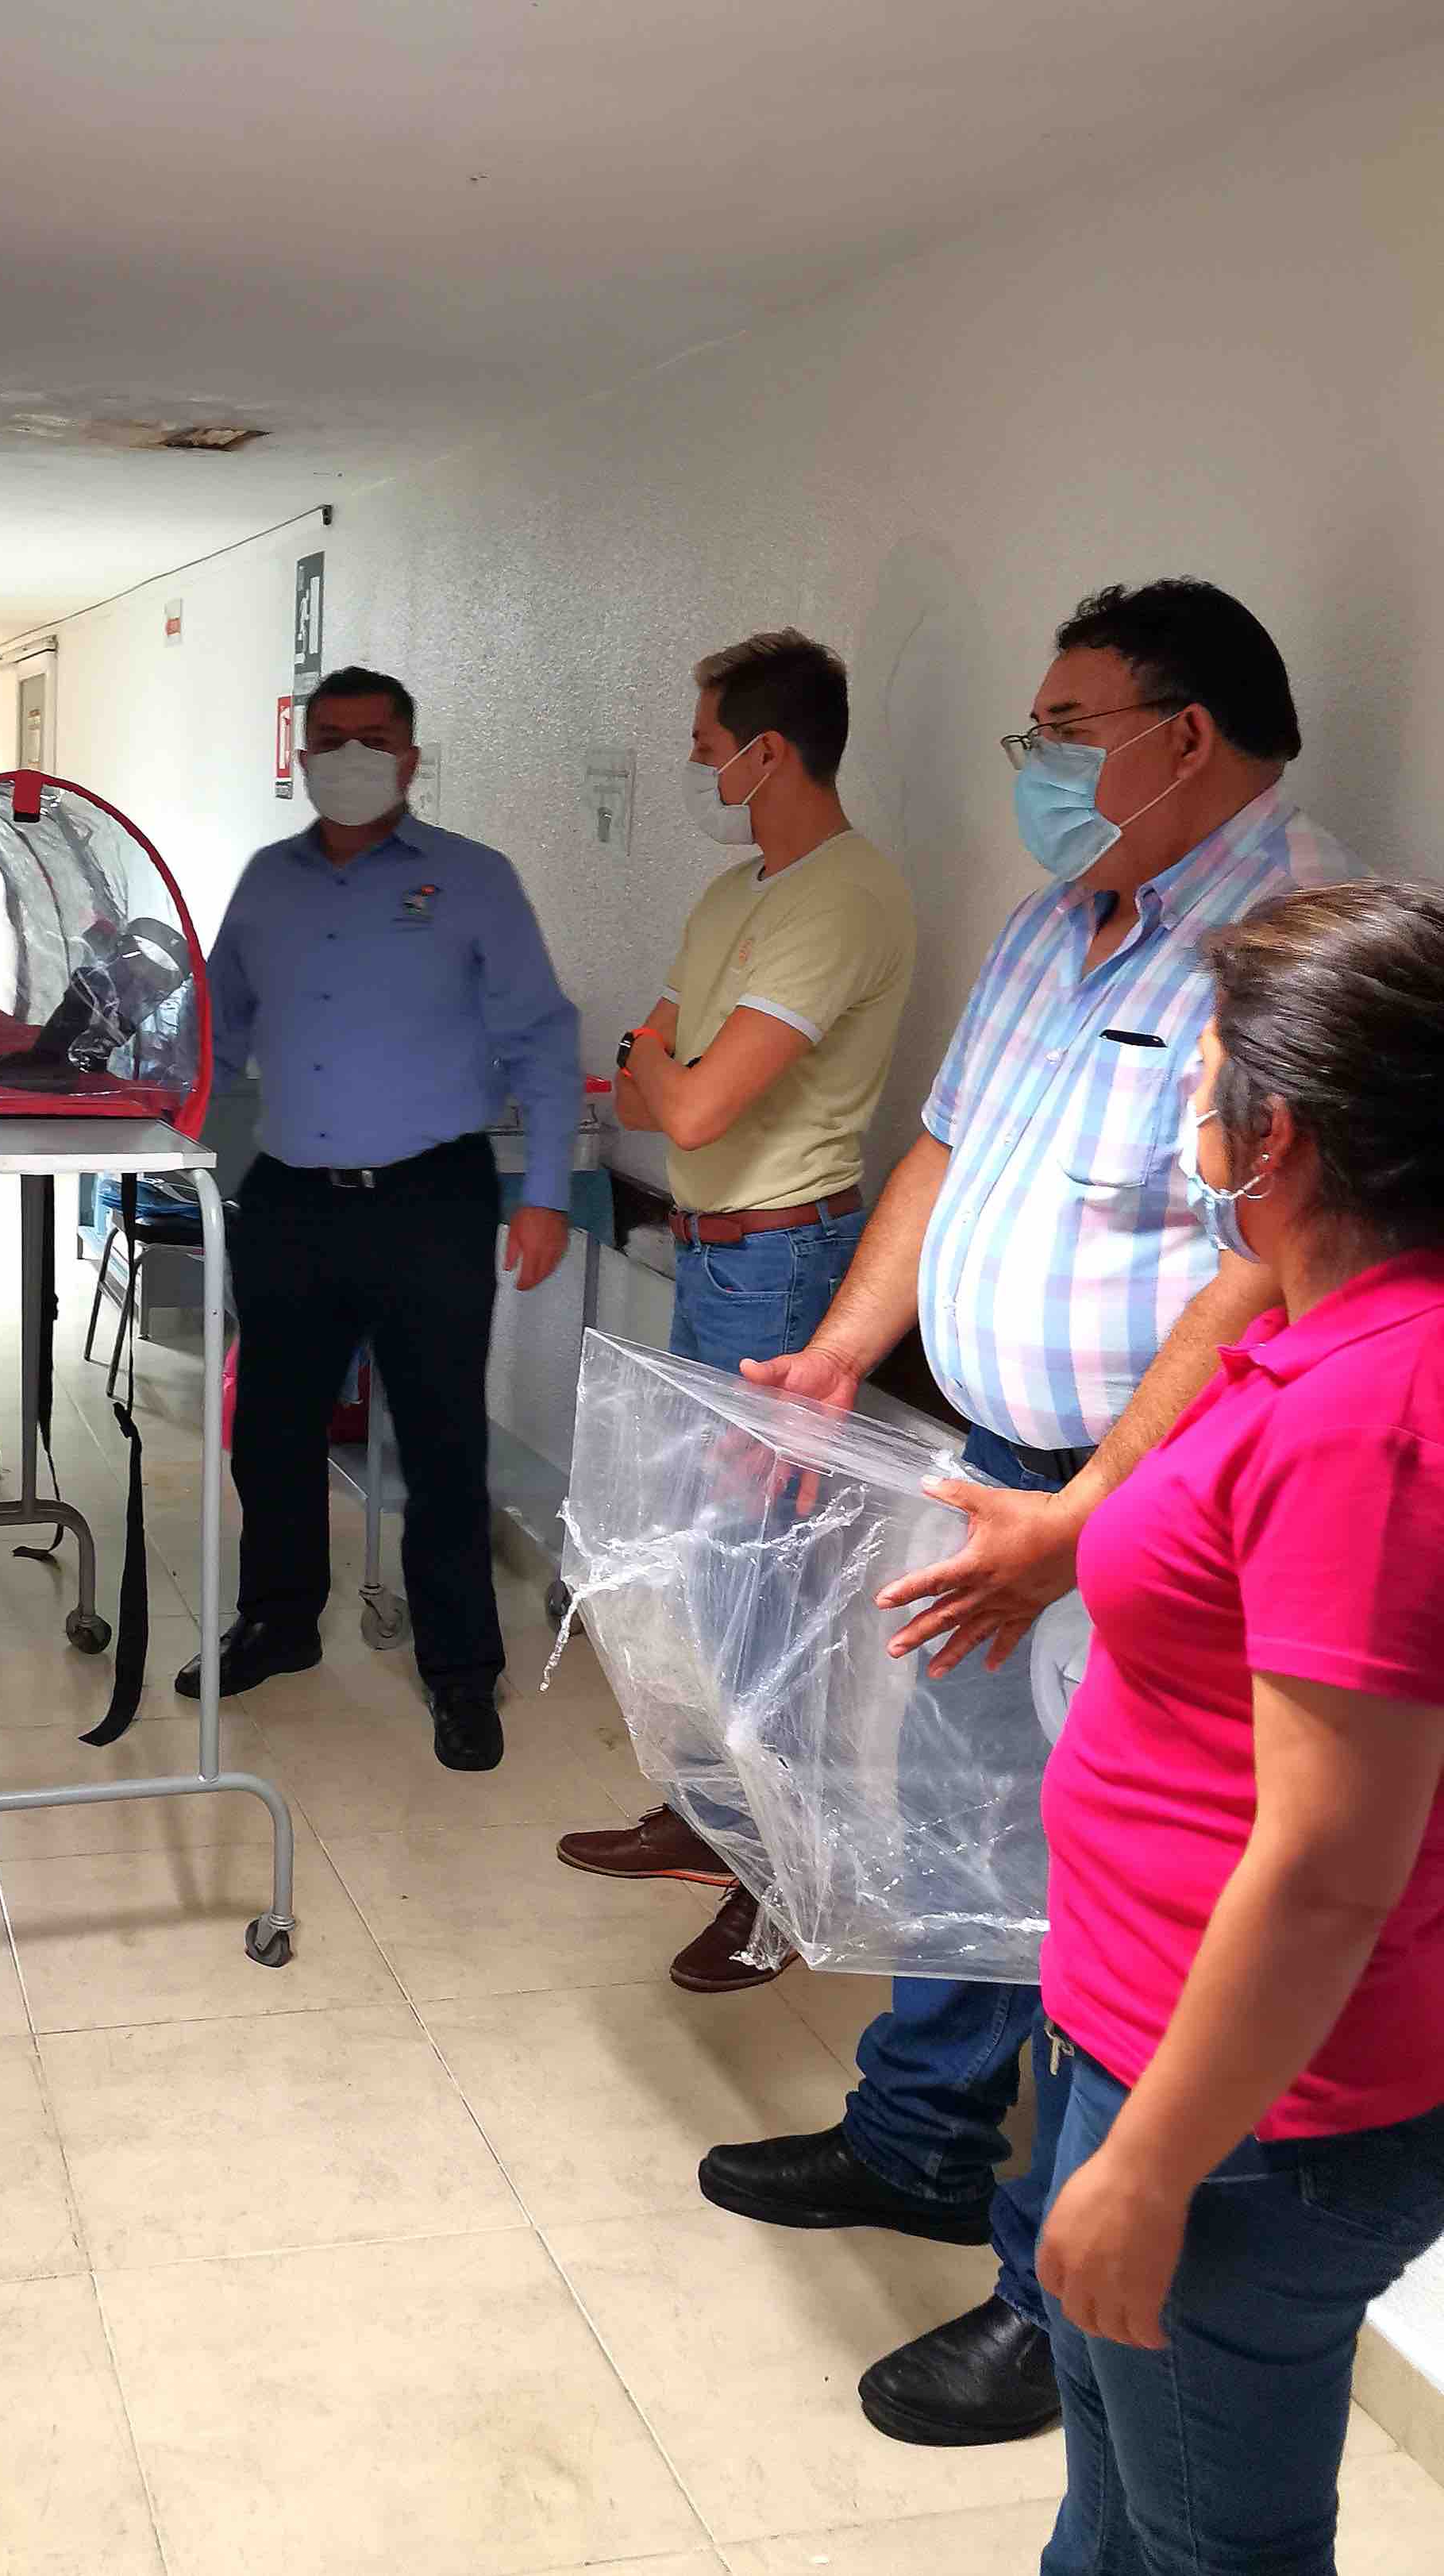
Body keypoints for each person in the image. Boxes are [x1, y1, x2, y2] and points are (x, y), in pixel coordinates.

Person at [695, 578, 1353, 2447]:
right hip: (997, 1461)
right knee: (963, 1811)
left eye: (1066, 730)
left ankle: (1048, 2295)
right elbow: (944, 1146)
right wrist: (840, 1353)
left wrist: (1096, 1509)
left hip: (1151, 1502)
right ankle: (915, 2135)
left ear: (1185, 738)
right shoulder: (1058, 922)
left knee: (1115, 1889)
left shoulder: (1295, 942)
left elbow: (1260, 1262)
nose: (1037, 765)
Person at [1032, 879, 1444, 2574]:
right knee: (1117, 2512)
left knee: (1216, 2541)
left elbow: (1332, 1868)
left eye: (1199, 1084)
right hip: (1154, 2044)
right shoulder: (1312, 1330)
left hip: (1251, 2124)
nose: (1182, 1120)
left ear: (1276, 1136)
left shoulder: (1371, 1409)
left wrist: (1152, 2165)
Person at [553, 631, 915, 1993]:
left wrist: (670, 1073)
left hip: (783, 1264)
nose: (698, 766)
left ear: (770, 751)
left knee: (769, 1578)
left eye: (710, 745)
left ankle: (780, 1882)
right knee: (710, 1559)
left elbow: (690, 1102)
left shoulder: (846, 898)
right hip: (712, 1255)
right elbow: (636, 1065)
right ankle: (709, 1818)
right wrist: (666, 1071)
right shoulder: (731, 896)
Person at [178, 665, 581, 1772]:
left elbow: (544, 1040)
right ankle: (279, 1621)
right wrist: (166, 1134)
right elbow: (215, 1026)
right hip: (292, 1197)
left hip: (430, 1199)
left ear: (408, 756)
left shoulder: (474, 880)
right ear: (303, 756)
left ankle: (460, 1671)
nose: (350, 757)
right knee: (272, 1430)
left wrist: (546, 1193)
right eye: (331, 739)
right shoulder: (268, 882)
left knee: (442, 1444)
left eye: (373, 738)